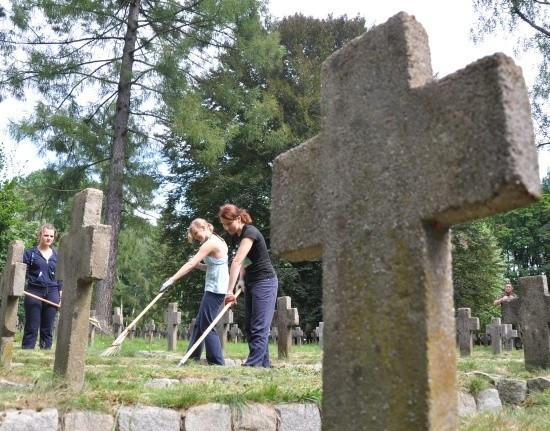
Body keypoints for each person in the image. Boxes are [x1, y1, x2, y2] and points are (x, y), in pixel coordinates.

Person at [161, 218, 228, 365]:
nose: (197, 238)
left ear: (203, 227)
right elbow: (212, 266)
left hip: (216, 289)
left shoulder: (211, 243)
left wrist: (171, 280)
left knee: (207, 325)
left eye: (197, 233)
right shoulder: (216, 239)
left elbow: (190, 264)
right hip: (214, 286)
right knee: (200, 323)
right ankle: (193, 357)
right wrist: (198, 265)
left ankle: (217, 362)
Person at [219, 203, 278, 367]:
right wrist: (241, 280)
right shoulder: (237, 235)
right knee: (249, 326)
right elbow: (246, 261)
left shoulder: (250, 232)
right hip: (251, 281)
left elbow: (237, 261)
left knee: (259, 325)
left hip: (265, 282)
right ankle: (264, 364)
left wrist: (229, 292)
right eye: (223, 224)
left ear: (238, 218)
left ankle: (253, 364)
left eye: (228, 224)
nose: (226, 227)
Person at [22, 223, 63, 349]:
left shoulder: (57, 256)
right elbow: (23, 272)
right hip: (34, 291)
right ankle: (27, 351)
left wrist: (61, 293)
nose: (48, 238)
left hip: (52, 292)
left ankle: (45, 350)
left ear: (54, 238)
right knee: (32, 326)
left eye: (51, 236)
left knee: (47, 327)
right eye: (46, 235)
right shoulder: (30, 254)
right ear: (40, 235)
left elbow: (61, 276)